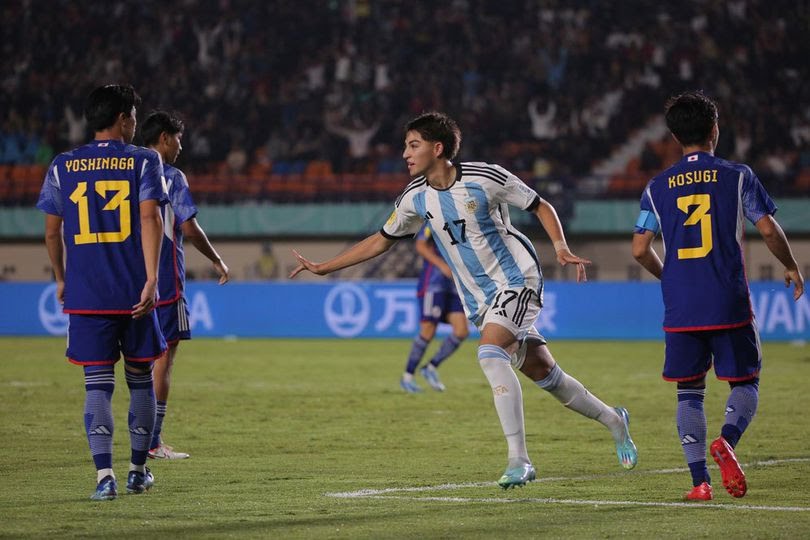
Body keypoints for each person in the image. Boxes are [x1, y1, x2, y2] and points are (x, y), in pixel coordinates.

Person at [291, 111, 637, 488]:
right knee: (545, 374)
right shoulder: (414, 198)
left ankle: (519, 460)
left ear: (437, 148)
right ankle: (614, 420)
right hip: (478, 299)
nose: (405, 154)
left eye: (413, 145)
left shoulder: (485, 177)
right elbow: (381, 239)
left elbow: (540, 205)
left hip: (517, 278)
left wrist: (560, 246)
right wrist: (326, 267)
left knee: (490, 354)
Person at [632, 91, 805, 501]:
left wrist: (668, 275)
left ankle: (700, 483)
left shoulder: (656, 187)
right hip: (727, 298)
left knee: (688, 391)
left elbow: (639, 249)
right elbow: (766, 228)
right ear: (714, 130)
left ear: (674, 137)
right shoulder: (737, 175)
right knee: (746, 381)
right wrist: (792, 265)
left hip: (681, 306)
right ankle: (727, 441)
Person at [36, 84, 167, 500]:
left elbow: (52, 231)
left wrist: (61, 277)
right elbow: (151, 219)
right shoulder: (145, 161)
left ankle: (103, 477)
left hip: (87, 296)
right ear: (125, 118)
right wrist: (151, 278)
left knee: (97, 385)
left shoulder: (62, 165)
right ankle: (136, 470)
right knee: (140, 379)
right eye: (132, 114)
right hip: (134, 294)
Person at [140, 110, 230, 459]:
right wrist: (216, 259)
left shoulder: (128, 172)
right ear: (164, 137)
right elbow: (189, 228)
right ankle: (152, 442)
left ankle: (136, 438)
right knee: (163, 359)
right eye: (178, 138)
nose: (180, 146)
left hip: (130, 278)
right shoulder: (171, 175)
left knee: (137, 361)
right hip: (164, 281)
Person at [400, 222, 468, 393]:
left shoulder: (463, 222)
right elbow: (421, 245)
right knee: (428, 330)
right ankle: (407, 377)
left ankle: (430, 367)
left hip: (453, 285)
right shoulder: (434, 221)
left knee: (461, 331)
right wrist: (441, 265)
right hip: (433, 284)